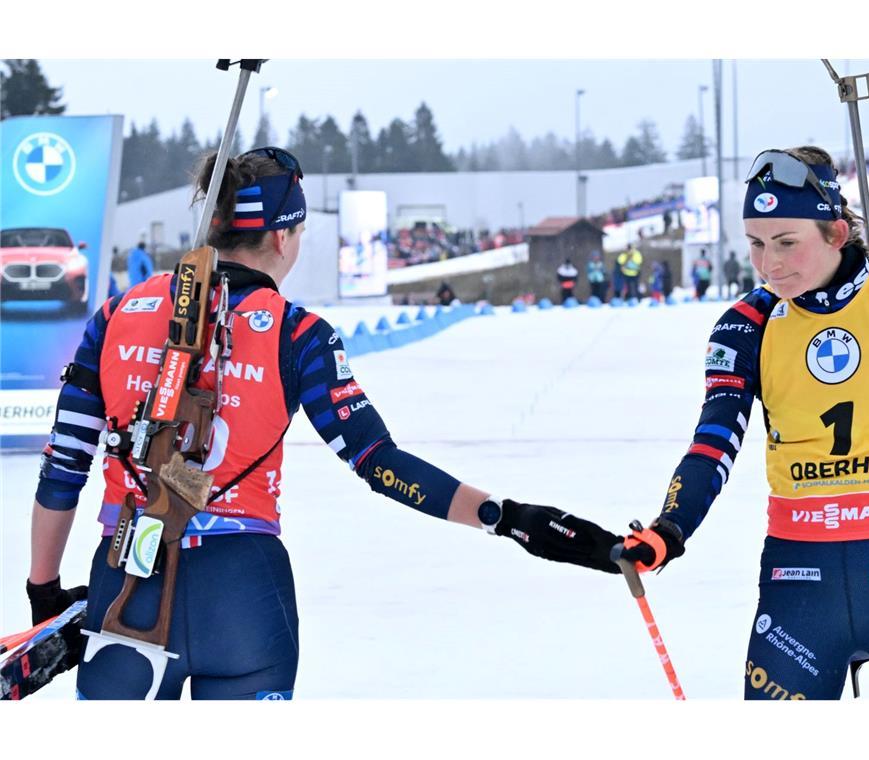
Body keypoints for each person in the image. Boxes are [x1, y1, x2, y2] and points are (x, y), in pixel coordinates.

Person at [26, 147, 620, 701]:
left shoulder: (117, 313)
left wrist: (44, 591)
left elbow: (64, 468)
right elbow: (379, 462)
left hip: (126, 582)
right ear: (282, 236)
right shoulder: (298, 332)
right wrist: (504, 516)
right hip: (242, 594)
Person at [610, 146, 869, 701]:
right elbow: (714, 441)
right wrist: (669, 528)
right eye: (755, 244)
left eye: (785, 243)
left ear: (834, 231)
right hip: (799, 583)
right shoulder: (746, 326)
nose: (768, 264)